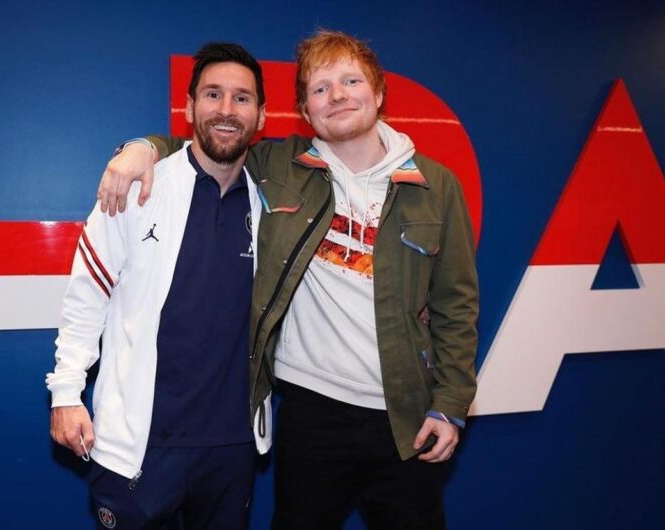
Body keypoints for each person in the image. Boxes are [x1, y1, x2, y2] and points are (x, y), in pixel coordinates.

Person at [99, 30, 478, 530]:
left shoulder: (436, 186)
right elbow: (206, 145)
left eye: (351, 81)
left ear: (379, 92)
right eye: (321, 88)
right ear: (304, 109)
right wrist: (141, 148)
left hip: (404, 416)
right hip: (309, 413)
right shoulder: (278, 165)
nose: (337, 95)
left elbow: (456, 305)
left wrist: (451, 403)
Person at [46, 42, 271, 530]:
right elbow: (87, 295)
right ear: (189, 107)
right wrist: (65, 392)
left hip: (232, 447)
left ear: (261, 115)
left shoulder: (273, 203)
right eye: (212, 94)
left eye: (242, 98)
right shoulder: (136, 187)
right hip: (140, 445)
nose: (226, 110)